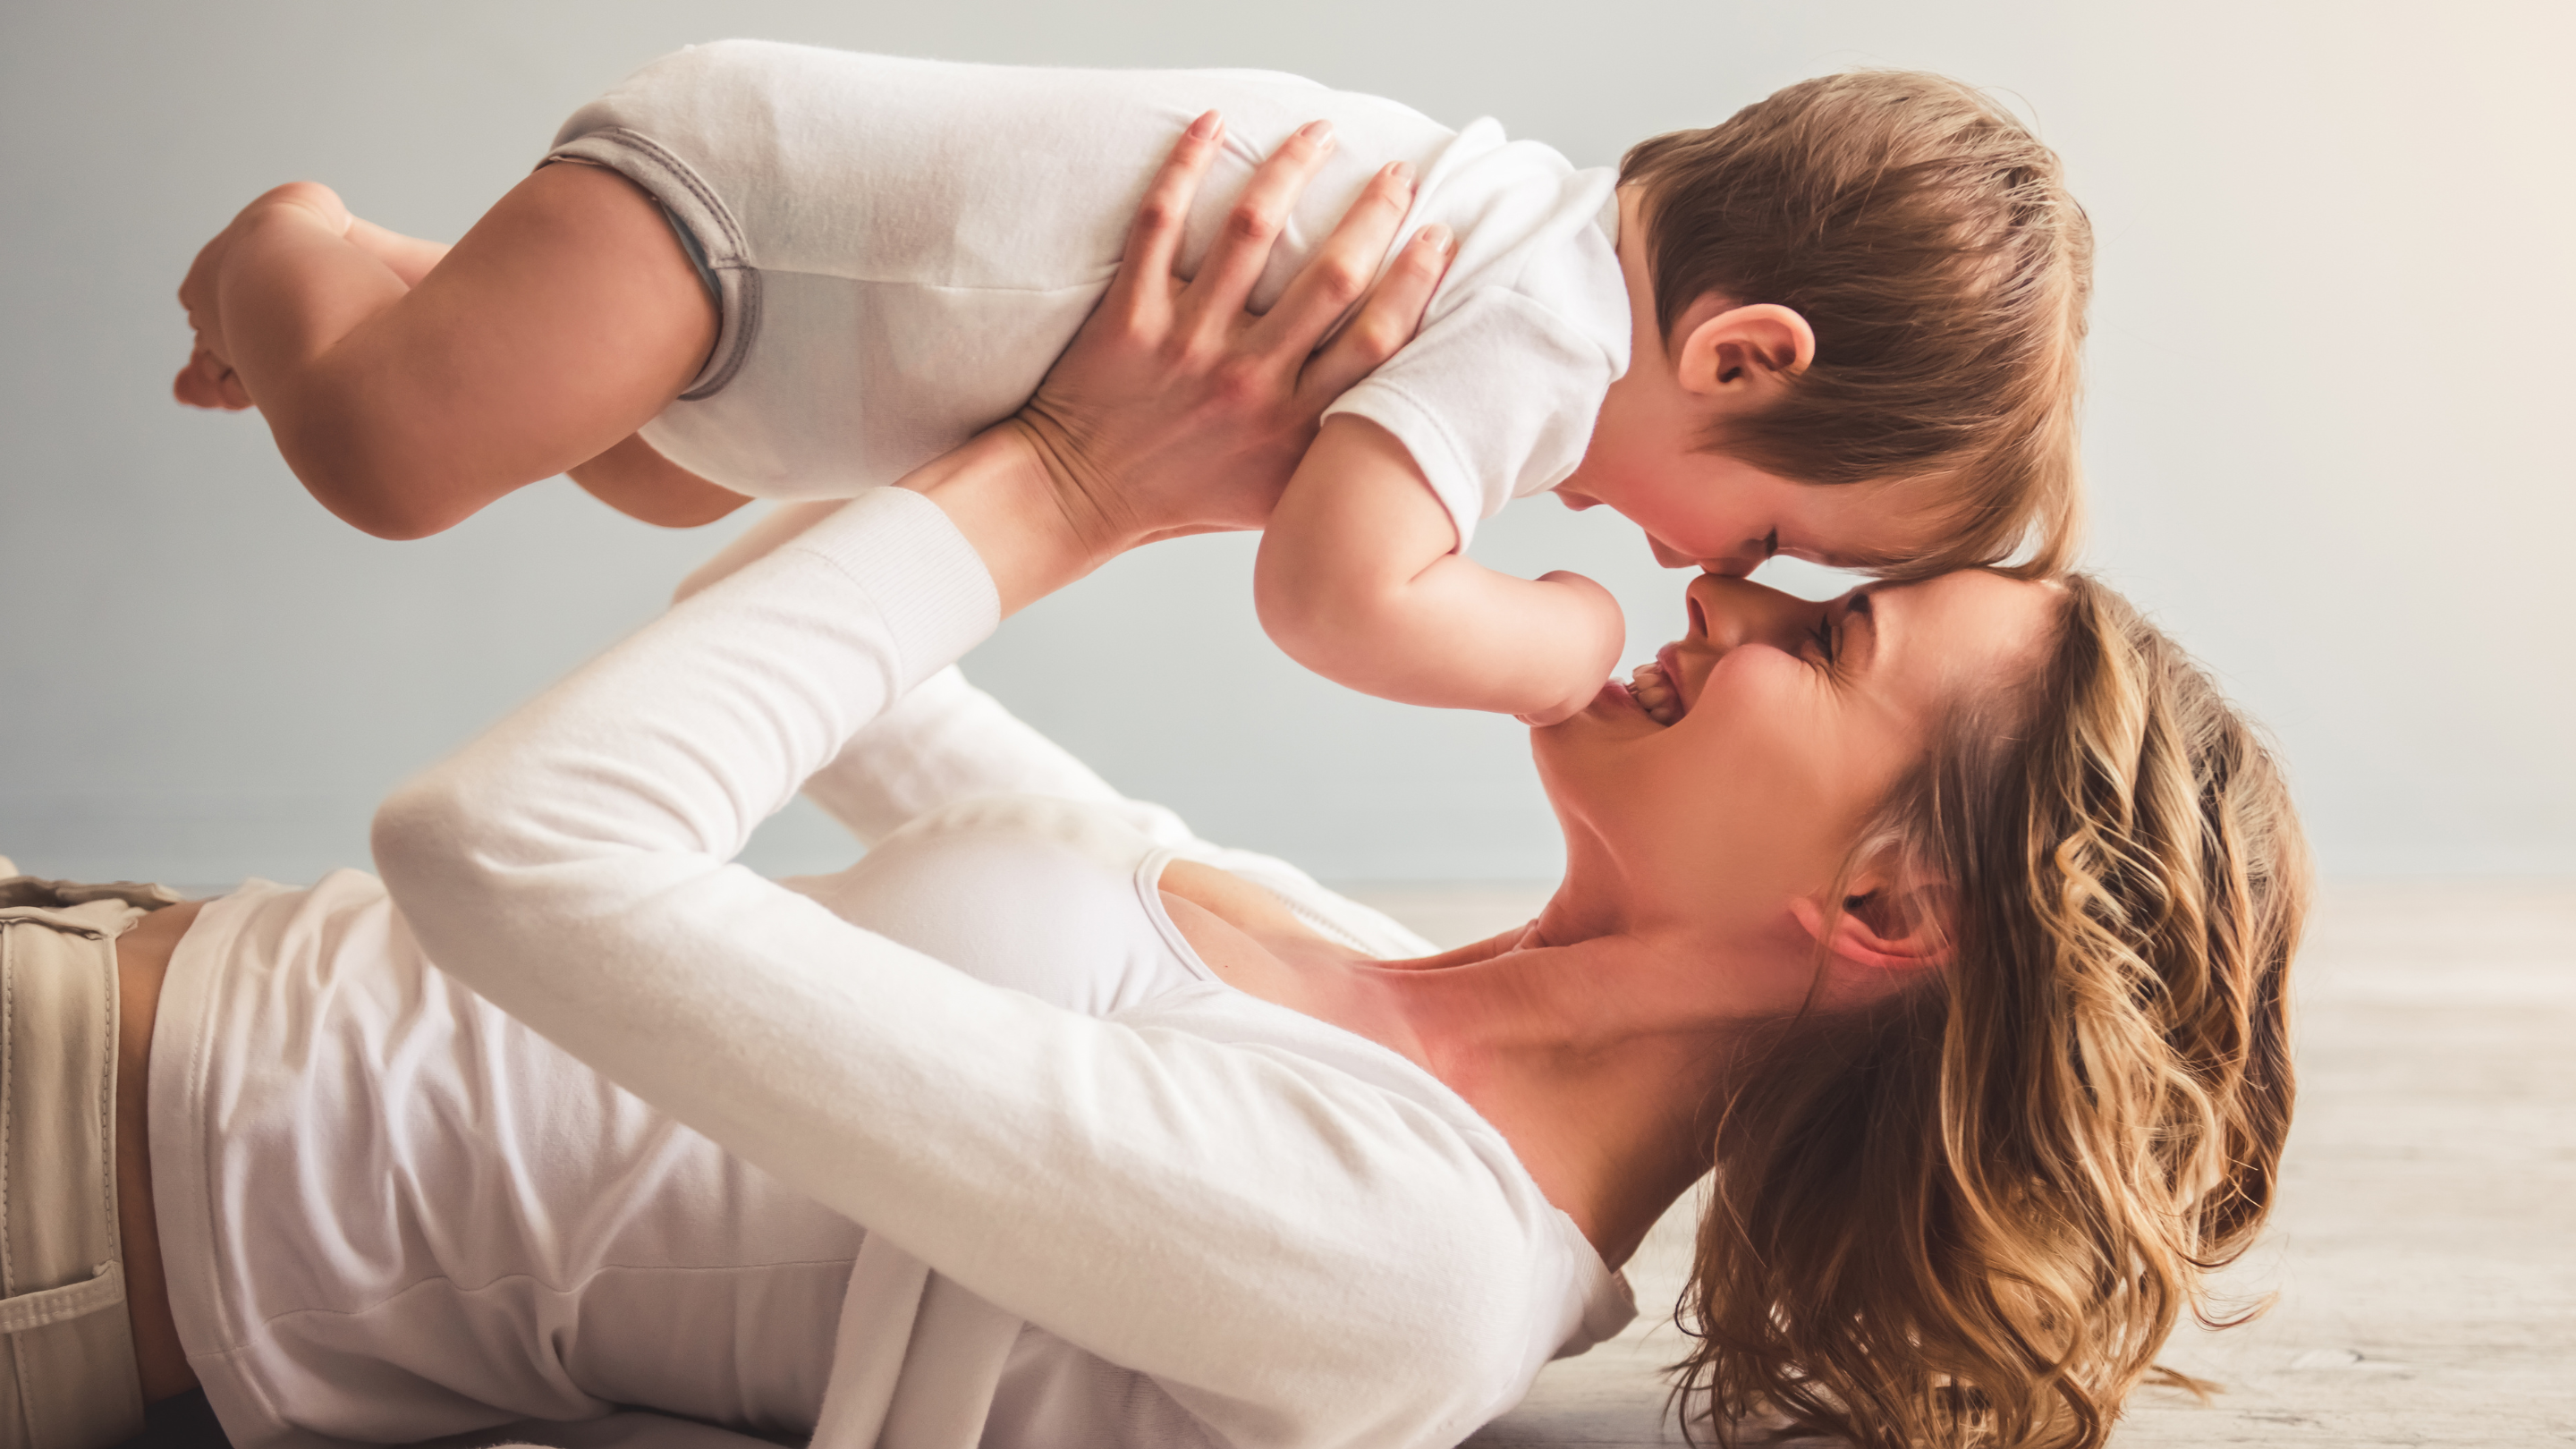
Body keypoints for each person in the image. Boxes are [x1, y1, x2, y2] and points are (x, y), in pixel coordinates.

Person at [9, 126, 2297, 1449]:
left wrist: (1077, 487)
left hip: (69, 1208)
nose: (1710, 602)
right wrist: (1223, 421)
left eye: (1822, 639)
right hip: (94, 959)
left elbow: (507, 854)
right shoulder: (1359, 959)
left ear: (1890, 917)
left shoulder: (1402, 1251)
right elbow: (809, 600)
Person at [170, 42, 2091, 724]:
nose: (1701, 570)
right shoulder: (1552, 321)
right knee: (400, 462)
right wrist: (1564, 640)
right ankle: (298, 249)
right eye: (1762, 526)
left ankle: (434, 287)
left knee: (640, 466)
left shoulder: (1530, 251)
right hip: (744, 227)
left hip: (779, 350)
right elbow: (1334, 595)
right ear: (1740, 354)